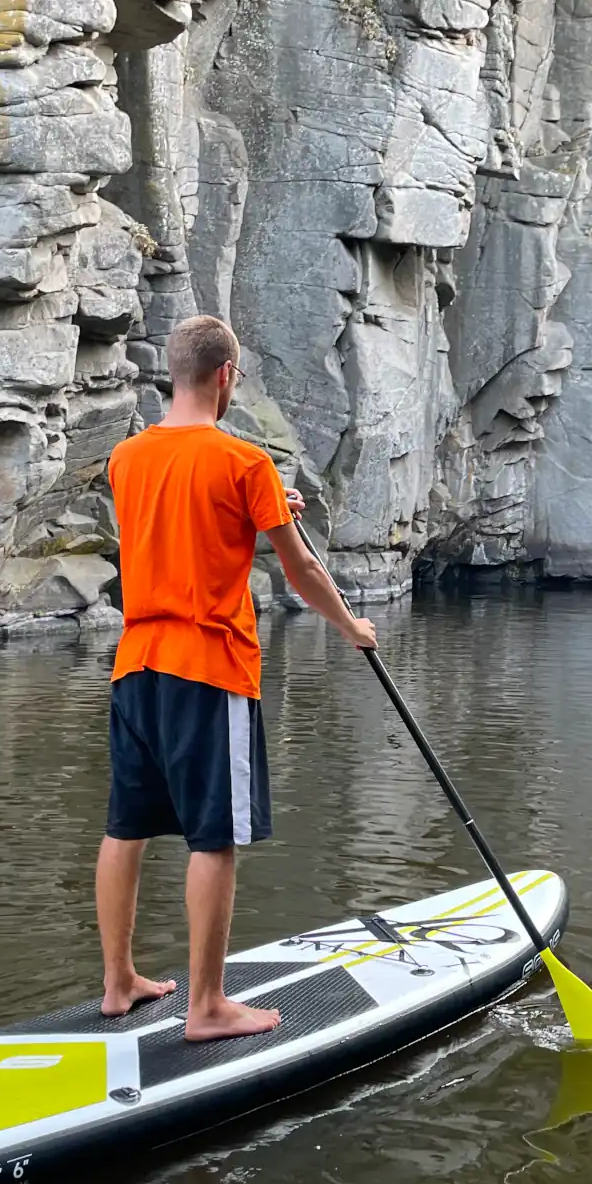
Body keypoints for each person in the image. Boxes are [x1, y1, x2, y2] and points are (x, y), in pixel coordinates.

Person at [98, 314, 378, 1042]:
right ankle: (207, 1006)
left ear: (174, 372)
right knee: (212, 838)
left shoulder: (126, 458)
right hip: (208, 669)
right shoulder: (244, 464)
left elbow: (181, 521)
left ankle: (119, 981)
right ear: (226, 377)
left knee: (125, 827)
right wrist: (351, 628)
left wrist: (263, 510)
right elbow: (303, 570)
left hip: (135, 668)